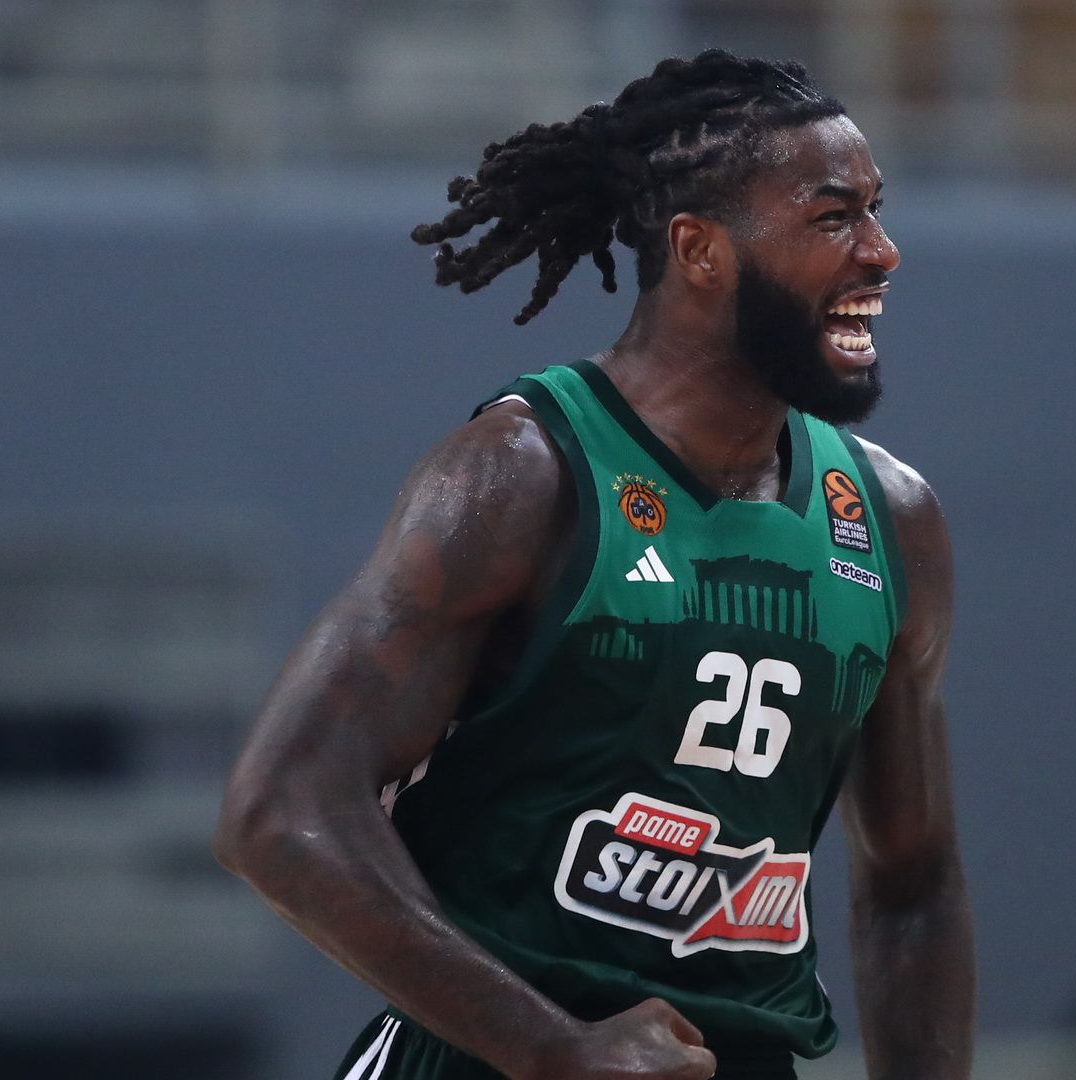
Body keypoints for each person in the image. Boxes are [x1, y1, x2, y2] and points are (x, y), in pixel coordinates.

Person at [213, 51, 973, 1080]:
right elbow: (280, 811)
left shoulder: (890, 519)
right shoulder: (522, 475)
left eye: (876, 212)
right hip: (493, 1057)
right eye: (833, 217)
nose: (881, 252)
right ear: (699, 250)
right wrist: (551, 1046)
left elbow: (914, 883)